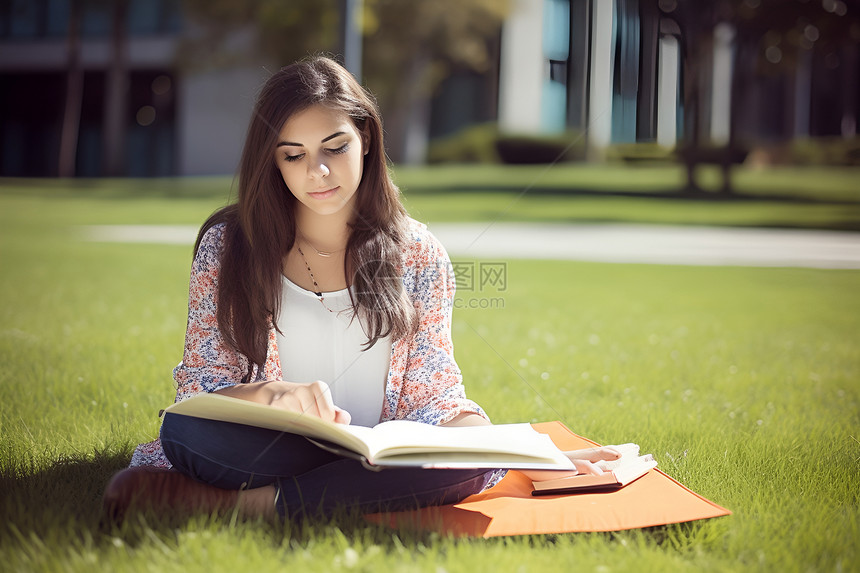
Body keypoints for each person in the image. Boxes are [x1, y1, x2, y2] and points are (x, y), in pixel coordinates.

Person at [103, 56, 620, 521]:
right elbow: (199, 394)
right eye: (293, 155)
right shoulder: (228, 246)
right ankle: (328, 493)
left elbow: (436, 398)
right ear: (271, 160)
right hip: (269, 446)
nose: (318, 172)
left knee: (461, 466)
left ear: (366, 139)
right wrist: (273, 395)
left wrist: (529, 457)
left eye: (335, 146)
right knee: (186, 433)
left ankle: (244, 505)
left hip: (379, 455)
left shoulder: (419, 253)